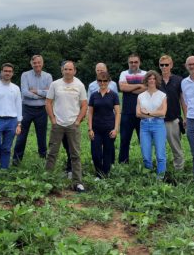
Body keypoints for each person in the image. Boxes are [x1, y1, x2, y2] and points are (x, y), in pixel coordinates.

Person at [45, 61, 88, 192]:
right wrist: (53, 119)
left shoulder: (79, 85)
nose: (68, 71)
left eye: (70, 69)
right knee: (52, 152)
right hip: (58, 124)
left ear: (74, 71)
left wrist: (78, 120)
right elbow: (48, 102)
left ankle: (77, 182)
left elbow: (84, 104)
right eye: (65, 69)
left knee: (75, 154)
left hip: (72, 125)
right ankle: (47, 180)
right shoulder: (55, 84)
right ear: (62, 70)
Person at [13, 55, 52, 165]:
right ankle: (16, 160)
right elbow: (24, 92)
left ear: (42, 63)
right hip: (26, 109)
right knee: (21, 135)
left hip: (42, 110)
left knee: (42, 136)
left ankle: (43, 160)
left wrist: (36, 91)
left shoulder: (48, 76)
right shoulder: (25, 75)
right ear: (31, 63)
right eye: (34, 63)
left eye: (39, 62)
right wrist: (41, 95)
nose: (37, 64)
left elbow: (50, 93)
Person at [87, 71, 120, 179]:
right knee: (95, 153)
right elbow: (90, 112)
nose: (102, 83)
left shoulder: (114, 95)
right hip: (96, 128)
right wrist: (90, 129)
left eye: (105, 80)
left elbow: (118, 113)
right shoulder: (93, 95)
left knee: (107, 152)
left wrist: (116, 129)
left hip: (109, 128)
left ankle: (104, 175)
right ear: (97, 82)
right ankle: (99, 172)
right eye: (100, 81)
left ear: (109, 81)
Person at [136, 71, 168, 178]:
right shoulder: (141, 96)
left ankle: (160, 178)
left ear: (157, 80)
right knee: (146, 155)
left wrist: (148, 113)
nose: (152, 80)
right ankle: (148, 177)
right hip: (144, 126)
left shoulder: (162, 95)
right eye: (149, 78)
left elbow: (163, 113)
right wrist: (155, 114)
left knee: (160, 155)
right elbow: (138, 113)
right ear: (146, 80)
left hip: (158, 126)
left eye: (154, 78)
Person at [118, 54, 147, 163]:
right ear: (128, 63)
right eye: (131, 62)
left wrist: (130, 88)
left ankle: (146, 162)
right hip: (127, 113)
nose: (133, 64)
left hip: (142, 113)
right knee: (124, 140)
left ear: (139, 62)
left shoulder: (145, 73)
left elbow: (147, 88)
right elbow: (122, 87)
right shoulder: (123, 73)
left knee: (144, 140)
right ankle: (123, 163)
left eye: (136, 62)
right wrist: (139, 86)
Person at [158, 55, 185, 170]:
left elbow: (182, 100)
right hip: (158, 120)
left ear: (171, 65)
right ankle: (161, 170)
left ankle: (179, 170)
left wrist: (186, 117)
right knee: (160, 148)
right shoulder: (156, 81)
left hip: (173, 119)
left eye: (166, 64)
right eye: (162, 65)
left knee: (176, 147)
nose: (164, 67)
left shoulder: (179, 80)